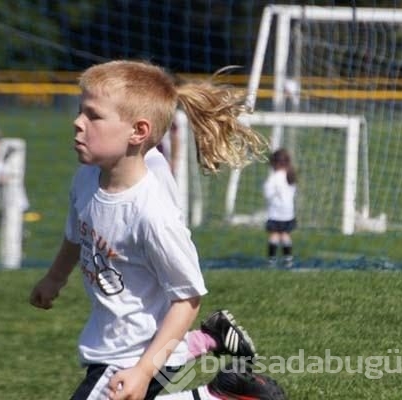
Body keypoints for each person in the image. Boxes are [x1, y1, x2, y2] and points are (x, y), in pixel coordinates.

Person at [29, 60, 268, 400]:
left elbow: (187, 298)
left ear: (138, 132)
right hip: (118, 342)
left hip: (139, 352)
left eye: (93, 116)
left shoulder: (152, 214)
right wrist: (55, 278)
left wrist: (143, 369)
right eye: (80, 111)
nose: (77, 123)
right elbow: (76, 234)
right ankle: (223, 395)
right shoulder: (86, 178)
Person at [263, 148, 297, 268]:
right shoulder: (290, 176)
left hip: (275, 213)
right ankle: (288, 259)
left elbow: (267, 193)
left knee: (274, 235)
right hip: (288, 213)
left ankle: (271, 260)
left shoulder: (274, 177)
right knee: (285, 235)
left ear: (275, 163)